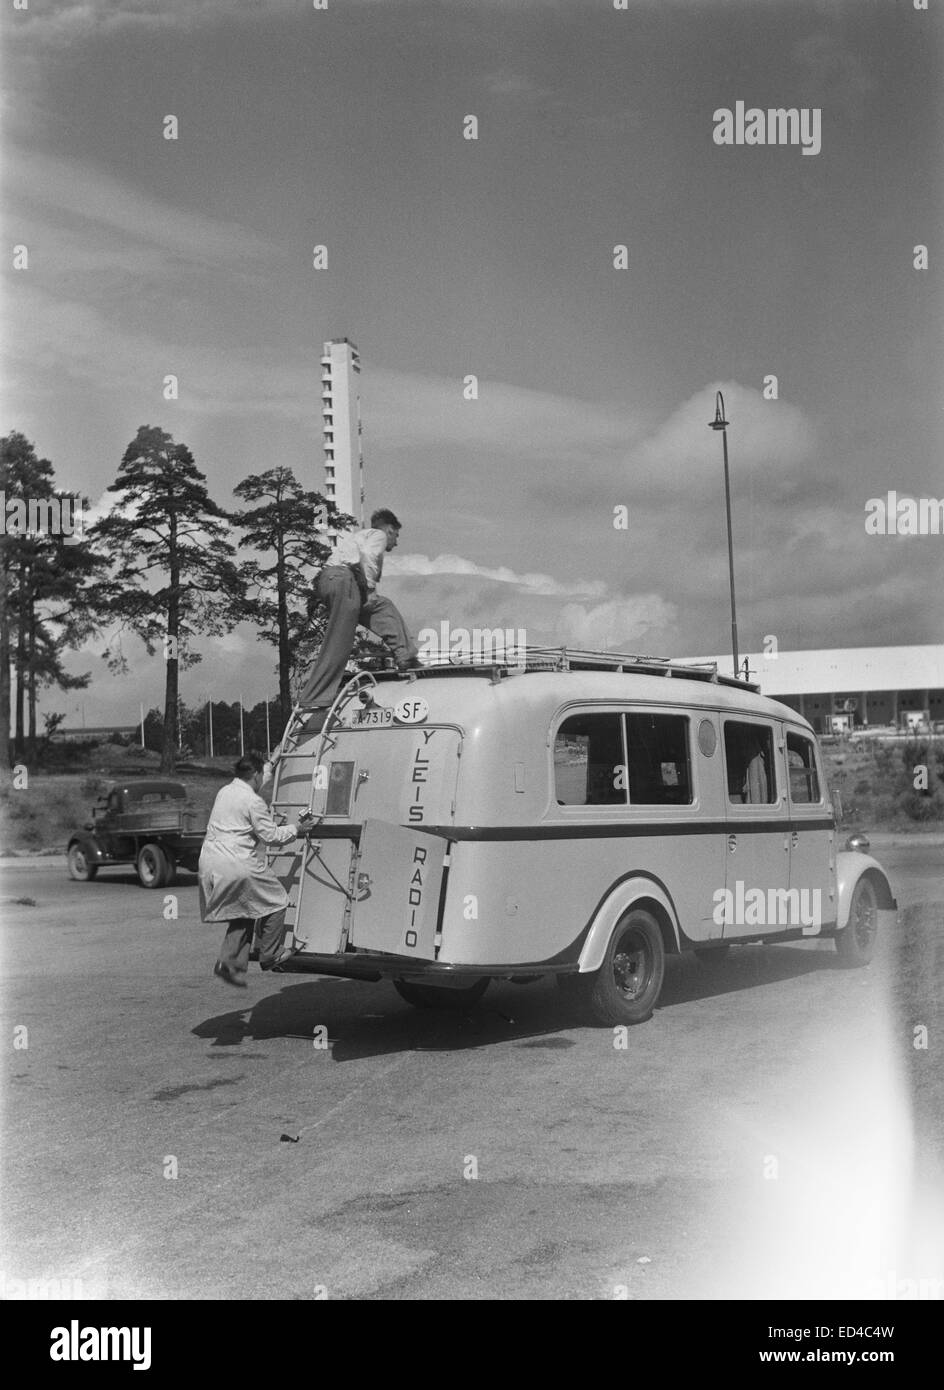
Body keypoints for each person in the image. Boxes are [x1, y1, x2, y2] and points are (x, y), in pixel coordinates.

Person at [199, 751, 315, 987]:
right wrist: (297, 829)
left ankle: (229, 963)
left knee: (244, 910)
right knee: (277, 900)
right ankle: (271, 954)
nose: (265, 778)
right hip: (237, 863)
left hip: (210, 862)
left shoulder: (225, 791)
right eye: (263, 774)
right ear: (255, 775)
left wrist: (276, 755)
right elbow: (271, 837)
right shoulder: (253, 801)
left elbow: (264, 772)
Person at [297, 507, 418, 716]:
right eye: (396, 536)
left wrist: (369, 593)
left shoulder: (361, 537)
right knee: (341, 636)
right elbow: (369, 556)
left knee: (383, 608)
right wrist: (370, 590)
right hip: (342, 579)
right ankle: (316, 695)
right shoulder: (378, 535)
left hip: (342, 582)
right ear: (389, 530)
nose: (396, 543)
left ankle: (406, 656)